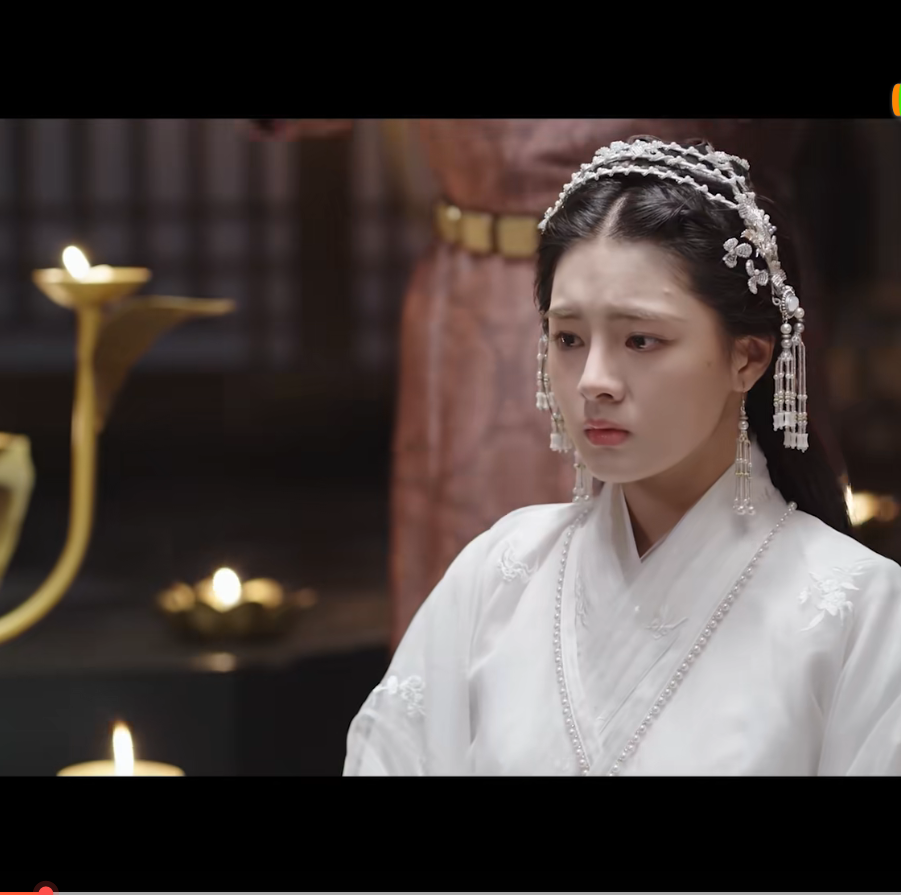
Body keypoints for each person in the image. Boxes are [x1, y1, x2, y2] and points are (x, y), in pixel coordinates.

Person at [342, 137, 901, 775]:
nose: (594, 381)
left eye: (640, 340)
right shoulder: (499, 574)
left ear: (748, 358)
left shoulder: (859, 606)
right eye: (568, 338)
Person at [250, 119, 824, 648]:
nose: (596, 383)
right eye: (569, 341)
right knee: (490, 624)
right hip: (484, 313)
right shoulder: (487, 565)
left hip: (709, 286)